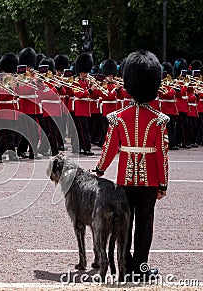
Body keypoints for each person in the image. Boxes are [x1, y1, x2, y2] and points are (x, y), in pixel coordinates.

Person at [95, 50, 169, 280]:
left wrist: (99, 170)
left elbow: (109, 149)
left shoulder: (118, 117)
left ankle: (125, 266)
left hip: (124, 180)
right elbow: (161, 155)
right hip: (150, 180)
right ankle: (141, 268)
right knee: (144, 225)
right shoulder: (158, 120)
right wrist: (163, 184)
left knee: (123, 225)